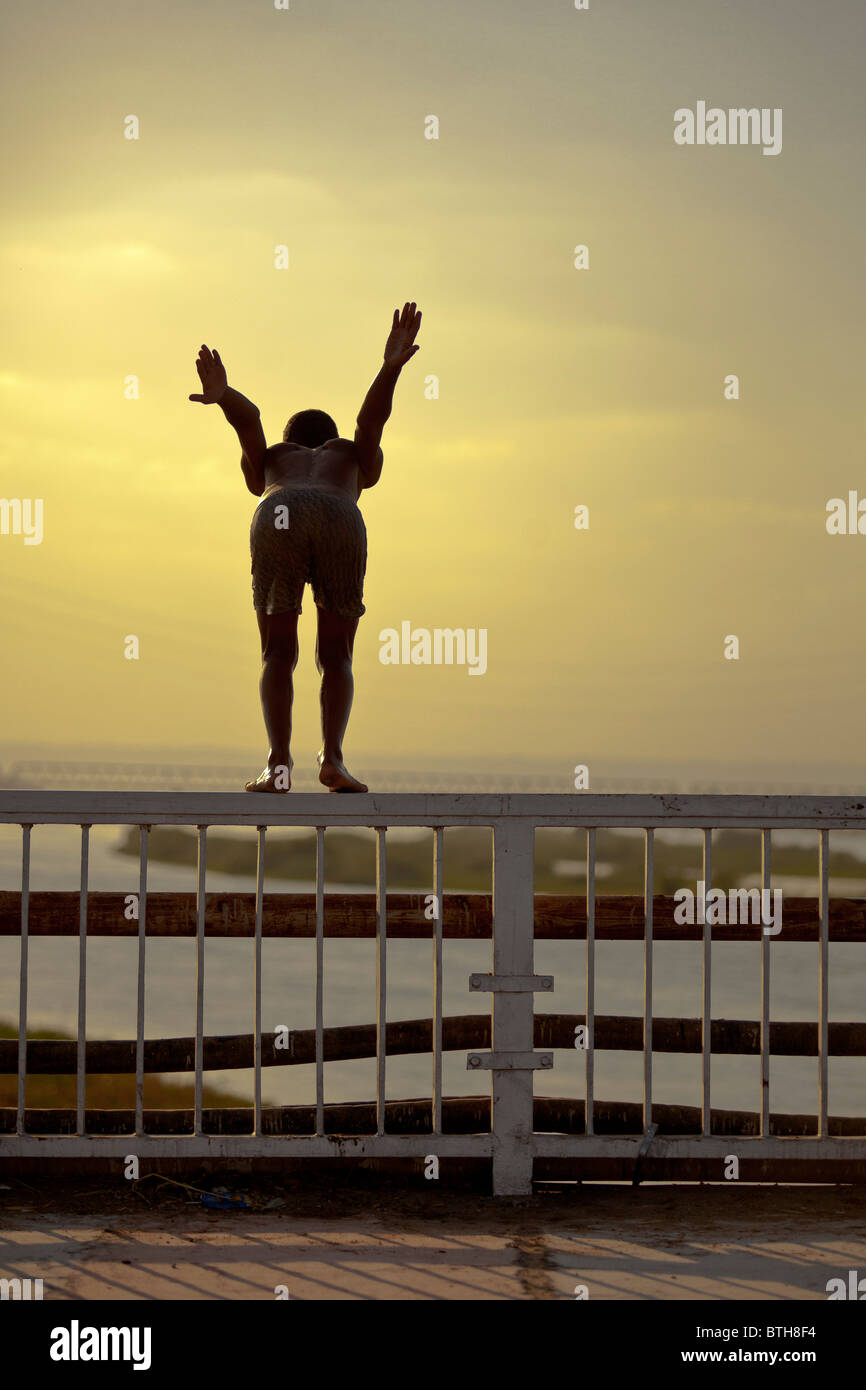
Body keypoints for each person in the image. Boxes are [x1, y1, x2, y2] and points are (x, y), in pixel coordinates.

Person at [189, 302, 422, 792]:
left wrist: (224, 394)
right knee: (336, 656)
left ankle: (278, 766)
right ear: (329, 441)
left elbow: (249, 419)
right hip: (340, 516)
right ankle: (332, 759)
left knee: (278, 652)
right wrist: (389, 369)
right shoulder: (349, 457)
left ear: (290, 441)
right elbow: (369, 424)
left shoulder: (276, 458)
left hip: (280, 512)